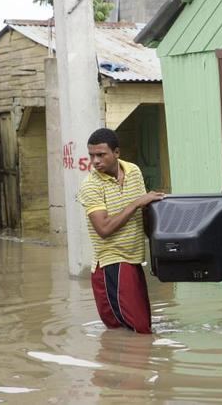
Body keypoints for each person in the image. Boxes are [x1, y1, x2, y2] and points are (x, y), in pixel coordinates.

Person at [77, 128, 164, 334]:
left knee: (138, 329)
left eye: (101, 154)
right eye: (91, 156)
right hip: (112, 263)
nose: (95, 161)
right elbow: (104, 229)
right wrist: (135, 204)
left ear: (116, 153)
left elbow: (144, 213)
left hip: (134, 259)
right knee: (139, 330)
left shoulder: (133, 171)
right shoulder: (90, 186)